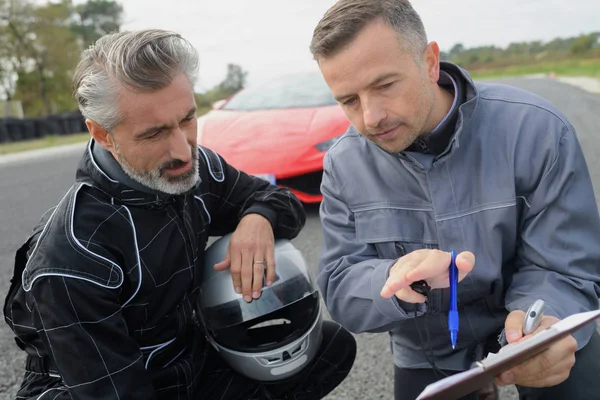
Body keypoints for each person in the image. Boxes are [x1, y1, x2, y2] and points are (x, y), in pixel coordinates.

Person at [3, 29, 356, 400]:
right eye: (154, 133)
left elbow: (280, 200)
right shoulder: (73, 255)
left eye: (187, 119)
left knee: (327, 348)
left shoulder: (197, 168)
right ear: (102, 134)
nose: (183, 150)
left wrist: (258, 219)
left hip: (185, 361)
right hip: (99, 384)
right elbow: (115, 391)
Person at [310, 1, 600, 399]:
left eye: (384, 85)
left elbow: (566, 264)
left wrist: (546, 315)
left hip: (531, 326)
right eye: (349, 101)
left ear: (430, 62)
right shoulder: (343, 166)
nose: (371, 117)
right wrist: (394, 276)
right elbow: (341, 284)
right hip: (427, 350)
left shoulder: (537, 131)